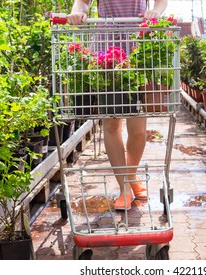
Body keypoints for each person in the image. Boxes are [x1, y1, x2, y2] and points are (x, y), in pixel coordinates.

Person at [67, 0, 168, 210]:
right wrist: (77, 12)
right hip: (106, 51)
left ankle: (131, 176)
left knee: (138, 130)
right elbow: (82, 2)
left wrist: (154, 12)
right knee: (112, 125)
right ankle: (124, 188)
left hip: (138, 48)